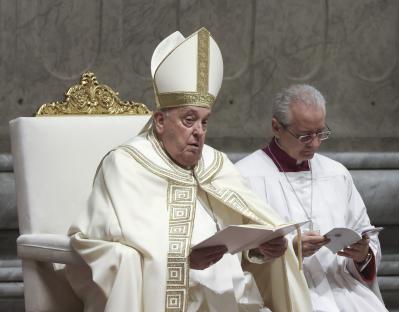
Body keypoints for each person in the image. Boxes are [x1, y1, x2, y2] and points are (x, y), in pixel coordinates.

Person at [66, 28, 311, 312]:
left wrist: (259, 250)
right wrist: (183, 262)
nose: (199, 132)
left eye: (204, 122)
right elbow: (105, 248)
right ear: (159, 121)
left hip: (232, 298)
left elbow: (243, 244)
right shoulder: (125, 164)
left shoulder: (215, 163)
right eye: (189, 120)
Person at [236, 84, 389, 312]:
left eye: (320, 133)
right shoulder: (244, 176)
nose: (315, 144)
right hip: (281, 297)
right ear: (276, 127)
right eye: (304, 136)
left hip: (342, 293)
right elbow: (235, 253)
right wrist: (289, 249)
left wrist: (362, 255)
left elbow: (365, 233)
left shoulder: (337, 174)